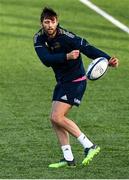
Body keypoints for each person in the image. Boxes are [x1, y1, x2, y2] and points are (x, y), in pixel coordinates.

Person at [33, 7, 119, 168]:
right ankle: (68, 158)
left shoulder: (67, 37)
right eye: (46, 22)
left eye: (52, 21)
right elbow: (46, 60)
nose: (50, 25)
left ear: (57, 22)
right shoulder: (38, 38)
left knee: (57, 117)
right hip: (62, 82)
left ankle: (90, 146)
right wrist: (67, 56)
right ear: (42, 23)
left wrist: (107, 59)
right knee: (54, 119)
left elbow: (87, 48)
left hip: (76, 81)